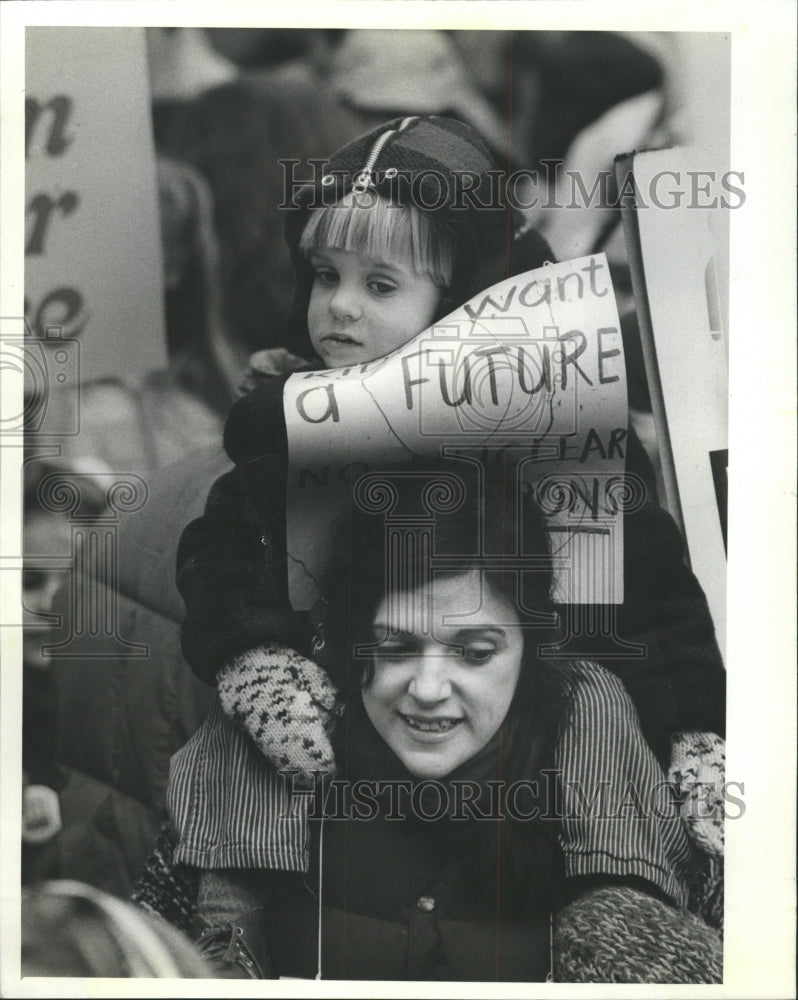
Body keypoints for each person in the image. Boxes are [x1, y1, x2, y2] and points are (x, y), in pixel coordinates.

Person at [166, 115, 725, 975]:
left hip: (525, 709)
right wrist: (257, 660)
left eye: (381, 284)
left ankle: (625, 914)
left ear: (461, 297)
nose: (340, 305)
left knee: (604, 705)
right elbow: (225, 551)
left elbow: (650, 590)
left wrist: (695, 737)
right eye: (326, 275)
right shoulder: (290, 419)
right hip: (351, 698)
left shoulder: (557, 420)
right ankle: (225, 918)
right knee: (235, 737)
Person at [169, 463, 721, 982]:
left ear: (533, 649)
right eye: (394, 647)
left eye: (476, 653)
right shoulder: (258, 757)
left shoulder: (600, 743)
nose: (428, 690)